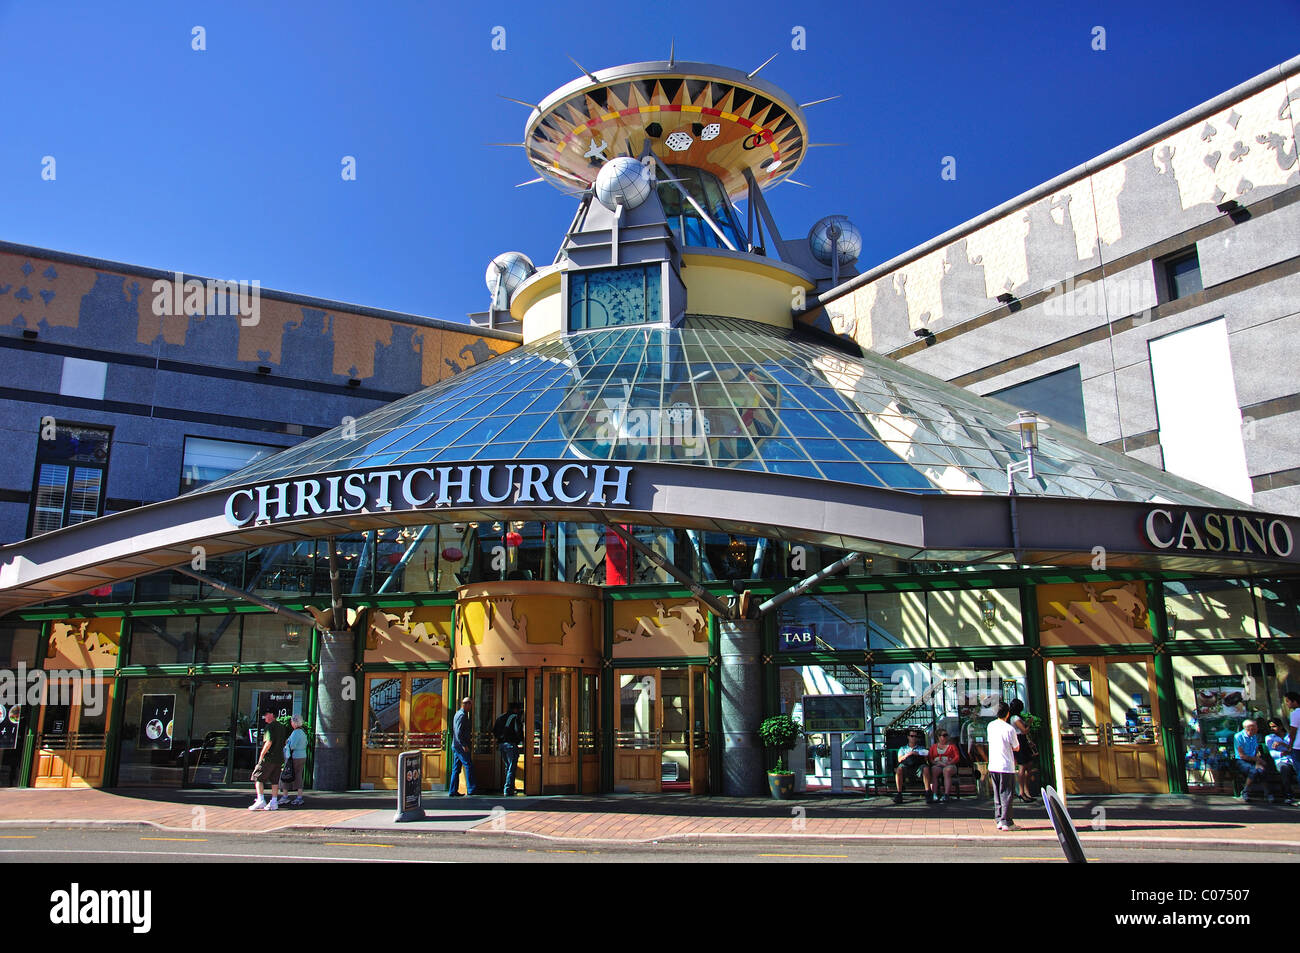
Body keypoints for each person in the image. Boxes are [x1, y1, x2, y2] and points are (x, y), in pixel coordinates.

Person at [988, 702, 1021, 831]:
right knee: (1006, 793)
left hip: (993, 764)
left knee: (997, 793)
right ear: (1008, 714)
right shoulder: (1009, 729)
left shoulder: (990, 726)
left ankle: (999, 819)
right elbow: (1016, 747)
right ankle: (1007, 821)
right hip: (1006, 765)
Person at [248, 709, 288, 811]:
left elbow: (269, 741)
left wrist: (262, 755)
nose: (264, 717)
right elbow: (284, 741)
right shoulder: (281, 727)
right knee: (275, 781)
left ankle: (261, 799)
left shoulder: (270, 727)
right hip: (279, 758)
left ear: (271, 715)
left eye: (266, 715)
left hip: (269, 758)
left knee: (258, 778)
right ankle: (274, 802)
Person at [1233, 719, 1279, 804]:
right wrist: (1258, 760)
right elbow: (1242, 755)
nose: (1257, 728)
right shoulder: (1238, 736)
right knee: (1253, 771)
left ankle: (1268, 793)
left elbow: (1257, 751)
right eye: (1255, 727)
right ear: (1249, 728)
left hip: (1253, 759)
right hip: (1241, 760)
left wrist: (1258, 763)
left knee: (1261, 770)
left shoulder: (1254, 736)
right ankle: (1245, 792)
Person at [491, 702, 525, 796]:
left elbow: (494, 731)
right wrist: (520, 740)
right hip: (510, 744)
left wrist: (500, 739)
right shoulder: (514, 717)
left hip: (502, 745)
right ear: (516, 709)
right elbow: (518, 731)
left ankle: (510, 786)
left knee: (508, 766)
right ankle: (508, 788)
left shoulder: (500, 717)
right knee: (511, 767)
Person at [1007, 699, 1036, 803]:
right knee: (1022, 766)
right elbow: (1024, 730)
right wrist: (1029, 723)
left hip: (1023, 741)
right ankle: (1022, 792)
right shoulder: (1015, 718)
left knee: (1029, 765)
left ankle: (1026, 791)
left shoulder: (1017, 717)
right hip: (1020, 741)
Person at [448, 697, 478, 796]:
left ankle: (452, 790)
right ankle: (471, 789)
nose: (471, 707)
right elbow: (458, 732)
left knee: (456, 768)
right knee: (468, 765)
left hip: (457, 745)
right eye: (470, 705)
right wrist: (464, 745)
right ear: (466, 704)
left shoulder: (459, 714)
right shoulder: (462, 716)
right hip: (460, 746)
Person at [1263, 717, 1298, 804]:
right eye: (1270, 727)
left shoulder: (1290, 736)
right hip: (1281, 761)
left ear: (1281, 726)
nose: (1272, 729)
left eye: (1274, 726)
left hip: (1294, 760)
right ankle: (1288, 796)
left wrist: (1283, 744)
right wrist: (1287, 752)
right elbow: (1273, 754)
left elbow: (1294, 749)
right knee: (1285, 769)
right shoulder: (1270, 738)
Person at [278, 713, 308, 807]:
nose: (291, 723)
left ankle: (285, 796)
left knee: (286, 774)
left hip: (293, 757)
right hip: (302, 755)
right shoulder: (303, 733)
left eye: (292, 721)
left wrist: (287, 743)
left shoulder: (295, 733)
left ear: (294, 723)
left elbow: (292, 746)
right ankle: (299, 797)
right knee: (298, 775)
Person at [893, 729, 930, 804]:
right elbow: (899, 759)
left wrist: (917, 753)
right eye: (912, 736)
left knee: (926, 768)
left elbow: (926, 758)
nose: (914, 738)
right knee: (899, 769)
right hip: (907, 767)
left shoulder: (921, 748)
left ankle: (928, 792)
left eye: (915, 736)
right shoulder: (903, 749)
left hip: (918, 766)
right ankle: (899, 793)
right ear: (908, 737)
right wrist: (908, 754)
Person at [928, 729, 960, 802]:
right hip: (938, 764)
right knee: (934, 770)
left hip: (949, 764)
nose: (946, 737)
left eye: (946, 735)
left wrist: (949, 763)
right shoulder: (933, 747)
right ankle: (934, 794)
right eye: (944, 735)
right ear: (938, 737)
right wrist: (936, 763)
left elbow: (957, 757)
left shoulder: (952, 746)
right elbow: (930, 758)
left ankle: (946, 794)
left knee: (946, 771)